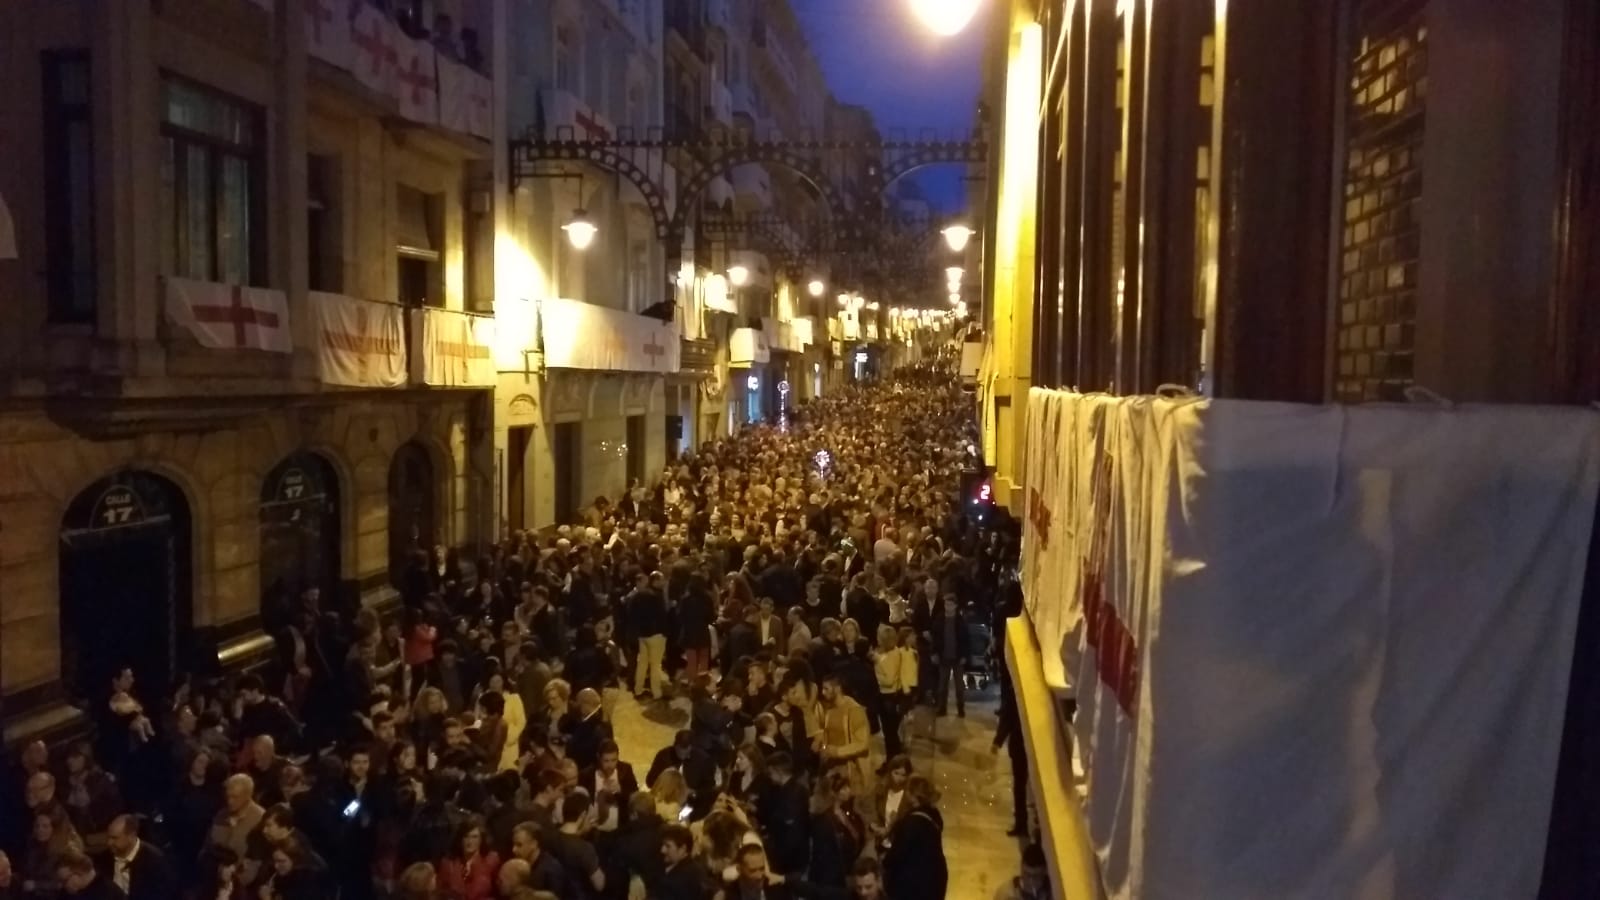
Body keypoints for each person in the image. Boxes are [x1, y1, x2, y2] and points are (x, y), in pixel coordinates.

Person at [880, 776, 947, 900]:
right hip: (936, 879)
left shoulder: (912, 823)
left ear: (912, 795)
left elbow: (897, 853)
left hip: (914, 884)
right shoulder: (933, 816)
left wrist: (884, 861)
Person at [102, 815, 173, 900]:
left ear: (131, 836)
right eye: (108, 837)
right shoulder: (105, 857)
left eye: (114, 838)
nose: (109, 843)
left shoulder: (155, 861)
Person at [437, 818, 500, 900]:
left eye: (474, 837)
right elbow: (440, 892)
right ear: (460, 839)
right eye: (466, 836)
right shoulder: (448, 863)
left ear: (481, 839)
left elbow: (500, 891)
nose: (470, 841)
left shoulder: (491, 860)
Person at [931, 595, 970, 718]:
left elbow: (965, 639)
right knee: (942, 685)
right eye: (946, 604)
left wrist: (964, 655)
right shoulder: (939, 619)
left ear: (955, 606)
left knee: (959, 686)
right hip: (943, 657)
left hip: (957, 657)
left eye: (950, 604)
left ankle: (960, 708)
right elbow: (935, 638)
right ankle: (942, 708)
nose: (947, 607)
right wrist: (934, 653)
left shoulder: (960, 620)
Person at [508, 823, 568, 896]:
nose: (514, 850)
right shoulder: (520, 866)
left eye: (519, 845)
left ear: (534, 844)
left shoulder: (551, 870)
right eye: (513, 844)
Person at [655, 824, 708, 900]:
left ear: (682, 849)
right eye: (663, 845)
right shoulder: (695, 869)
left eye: (668, 846)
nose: (662, 850)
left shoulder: (684, 879)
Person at [57, 849, 123, 900]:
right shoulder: (66, 894)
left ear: (79, 872)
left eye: (64, 880)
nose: (60, 886)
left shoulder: (110, 893)